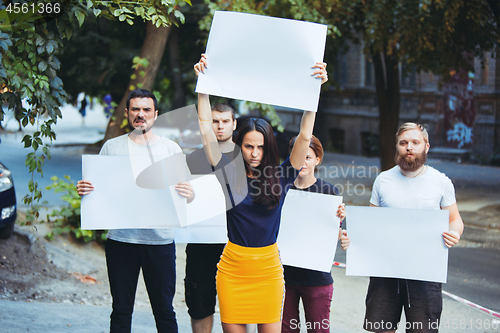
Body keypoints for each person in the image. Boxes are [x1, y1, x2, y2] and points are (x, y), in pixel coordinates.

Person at [194, 54, 328, 333]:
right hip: (232, 270)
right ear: (239, 146)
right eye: (248, 146)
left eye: (261, 147)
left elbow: (305, 137)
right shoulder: (227, 173)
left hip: (268, 271)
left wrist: (313, 89)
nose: (255, 153)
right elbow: (207, 131)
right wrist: (203, 83)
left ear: (269, 147)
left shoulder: (282, 174)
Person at [76, 89, 194, 333]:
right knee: (121, 309)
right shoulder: (112, 147)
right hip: (121, 241)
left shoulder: (171, 150)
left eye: (146, 110)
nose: (141, 114)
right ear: (128, 113)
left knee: (164, 310)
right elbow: (100, 190)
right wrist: (86, 189)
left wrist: (189, 193)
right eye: (136, 109)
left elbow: (187, 197)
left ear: (155, 114)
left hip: (160, 243)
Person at [363, 122, 464, 333]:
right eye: (403, 143)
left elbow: (455, 219)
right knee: (381, 329)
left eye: (415, 142)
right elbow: (370, 223)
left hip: (425, 272)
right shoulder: (383, 180)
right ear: (397, 147)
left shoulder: (441, 182)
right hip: (385, 271)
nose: (409, 147)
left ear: (426, 146)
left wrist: (454, 232)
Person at [281, 135, 350, 333]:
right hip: (284, 276)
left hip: (316, 278)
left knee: (318, 330)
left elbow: (333, 235)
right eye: (298, 156)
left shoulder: (328, 191)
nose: (303, 162)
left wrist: (342, 232)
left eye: (308, 157)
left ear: (317, 160)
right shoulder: (281, 188)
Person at [184, 103, 237, 333]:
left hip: (235, 243)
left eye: (225, 121)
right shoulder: (192, 159)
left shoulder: (247, 155)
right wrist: (186, 196)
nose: (220, 126)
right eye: (214, 121)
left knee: (236, 307)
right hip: (200, 242)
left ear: (234, 124)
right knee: (199, 305)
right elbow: (179, 200)